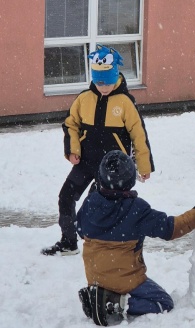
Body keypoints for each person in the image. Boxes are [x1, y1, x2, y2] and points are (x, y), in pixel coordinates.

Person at [77, 150, 195, 326]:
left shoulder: (90, 202)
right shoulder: (135, 209)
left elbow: (79, 229)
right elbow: (171, 229)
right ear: (130, 179)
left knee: (132, 288)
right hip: (125, 279)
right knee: (163, 303)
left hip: (94, 275)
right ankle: (112, 303)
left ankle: (99, 296)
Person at [42, 45, 154, 257]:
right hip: (86, 162)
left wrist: (144, 165)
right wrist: (73, 150)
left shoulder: (125, 102)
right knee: (66, 196)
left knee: (98, 205)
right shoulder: (84, 99)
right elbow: (70, 124)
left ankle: (101, 245)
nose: (103, 87)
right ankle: (68, 241)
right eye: (99, 82)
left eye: (108, 82)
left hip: (112, 170)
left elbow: (139, 135)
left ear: (116, 76)